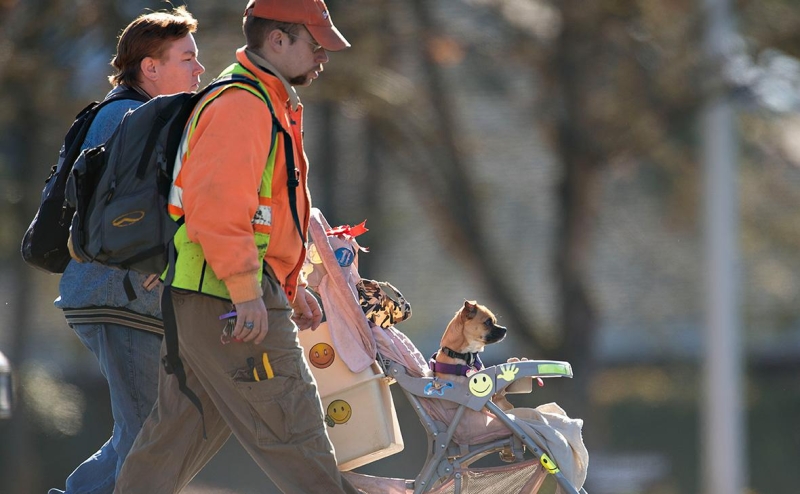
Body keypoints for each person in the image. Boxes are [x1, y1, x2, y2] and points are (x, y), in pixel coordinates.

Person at [113, 1, 360, 493]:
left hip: (204, 298)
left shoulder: (261, 101)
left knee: (173, 441)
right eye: (316, 45)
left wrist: (286, 288)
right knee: (295, 433)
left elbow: (262, 217)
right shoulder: (243, 104)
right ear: (277, 40)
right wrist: (250, 291)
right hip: (229, 302)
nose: (323, 57)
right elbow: (218, 208)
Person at [50, 7, 205, 494]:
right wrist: (160, 258)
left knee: (143, 434)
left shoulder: (118, 114)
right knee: (148, 438)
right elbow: (129, 216)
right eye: (187, 58)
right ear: (150, 67)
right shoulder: (135, 118)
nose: (200, 69)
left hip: (110, 294)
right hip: (119, 297)